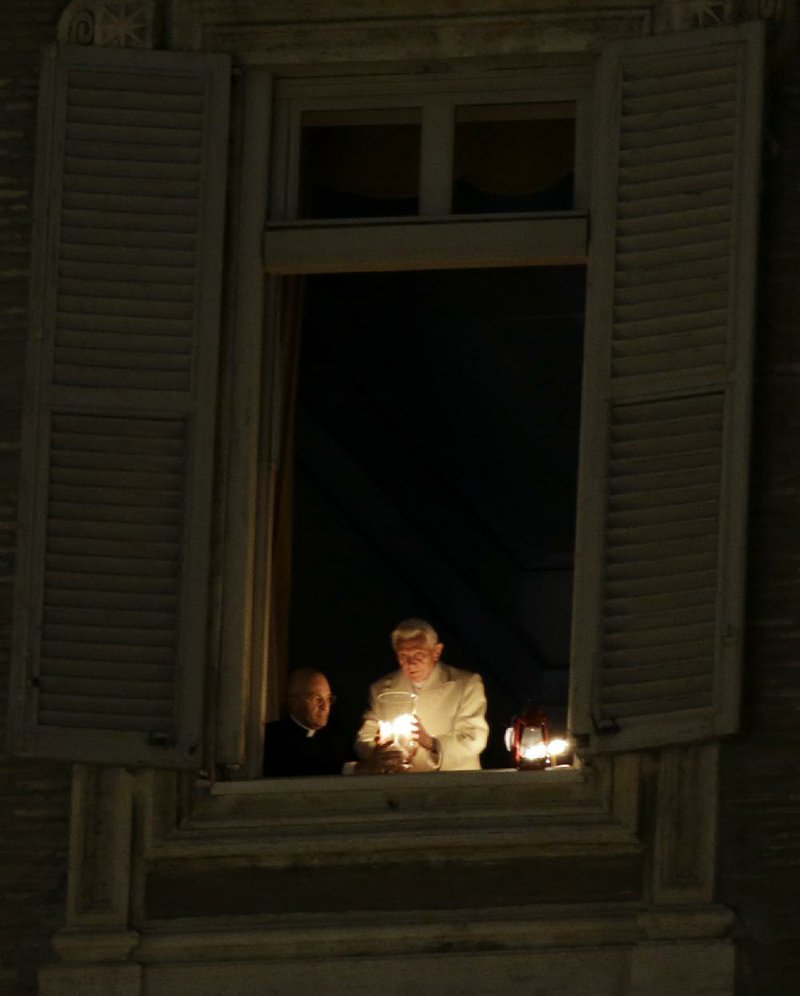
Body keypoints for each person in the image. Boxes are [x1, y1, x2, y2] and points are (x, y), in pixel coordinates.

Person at [355, 618, 489, 772]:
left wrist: (431, 743)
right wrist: (380, 753)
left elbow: (473, 738)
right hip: (402, 783)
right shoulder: (381, 690)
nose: (411, 663)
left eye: (419, 654)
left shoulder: (465, 684)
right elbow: (365, 738)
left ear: (436, 652)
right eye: (403, 656)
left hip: (453, 783)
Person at [262, 668, 352, 777]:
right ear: (295, 702)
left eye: (328, 699)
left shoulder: (337, 736)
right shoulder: (271, 737)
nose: (325, 706)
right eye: (318, 699)